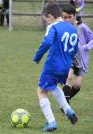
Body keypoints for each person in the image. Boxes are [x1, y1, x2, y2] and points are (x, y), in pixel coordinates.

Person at [33, 2, 78, 132]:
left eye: (47, 20)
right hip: (66, 65)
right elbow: (74, 48)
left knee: (41, 91)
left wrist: (37, 57)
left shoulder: (53, 27)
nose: (47, 22)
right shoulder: (71, 28)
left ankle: (51, 122)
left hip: (53, 64)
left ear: (50, 16)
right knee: (52, 86)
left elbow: (47, 42)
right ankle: (68, 110)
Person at [60, 4, 93, 104]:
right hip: (70, 58)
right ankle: (65, 104)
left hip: (82, 60)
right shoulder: (63, 28)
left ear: (74, 16)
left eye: (69, 17)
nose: (67, 19)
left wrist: (85, 47)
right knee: (69, 77)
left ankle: (66, 99)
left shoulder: (82, 27)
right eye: (64, 17)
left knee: (77, 85)